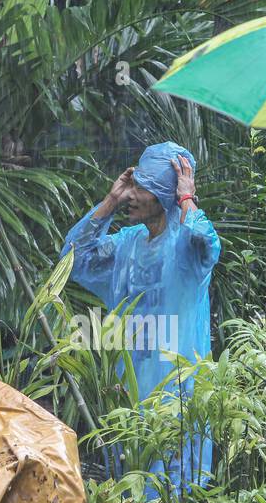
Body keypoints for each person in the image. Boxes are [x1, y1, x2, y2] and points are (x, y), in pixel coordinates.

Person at [61, 141, 220, 485]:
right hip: (128, 395)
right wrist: (109, 201)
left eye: (141, 187)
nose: (131, 195)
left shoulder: (186, 248)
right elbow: (74, 259)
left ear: (163, 194)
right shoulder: (126, 244)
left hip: (177, 397)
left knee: (174, 502)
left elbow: (205, 241)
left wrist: (187, 198)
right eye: (132, 185)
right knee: (129, 501)